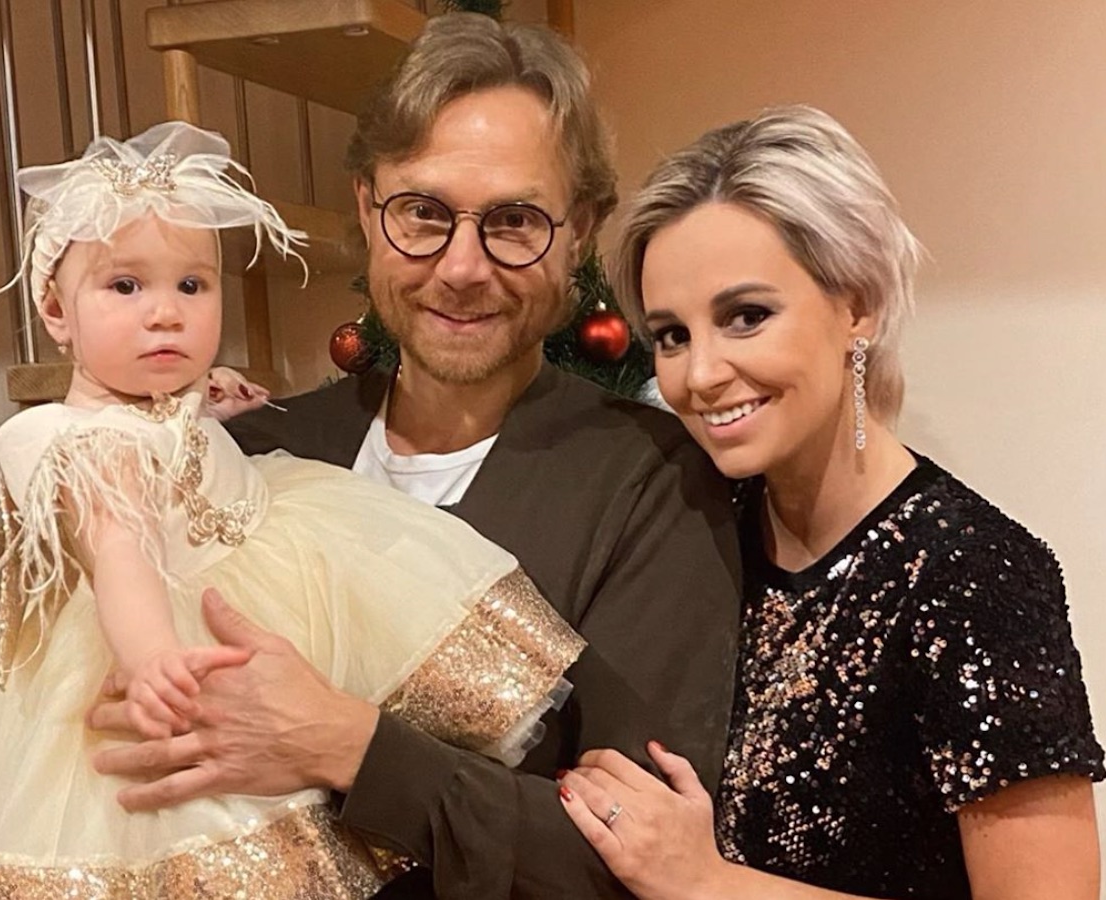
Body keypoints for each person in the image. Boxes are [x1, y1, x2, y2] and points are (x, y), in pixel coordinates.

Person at [86, 12, 742, 899]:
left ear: (579, 231)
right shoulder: (259, 450)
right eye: (423, 213)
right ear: (368, 208)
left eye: (515, 220)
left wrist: (348, 747)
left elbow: (640, 856)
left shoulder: (653, 482)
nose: (463, 267)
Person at [0, 121, 592, 897]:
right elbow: (119, 553)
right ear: (56, 312)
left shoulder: (156, 401)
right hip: (156, 633)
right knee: (188, 840)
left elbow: (173, 447)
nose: (165, 313)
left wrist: (207, 403)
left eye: (192, 286)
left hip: (260, 562)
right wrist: (154, 659)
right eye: (125, 287)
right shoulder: (74, 441)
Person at [556, 105, 1104, 899]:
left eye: (746, 317)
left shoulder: (973, 575)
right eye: (672, 335)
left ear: (858, 307)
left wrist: (708, 884)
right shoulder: (700, 526)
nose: (699, 374)